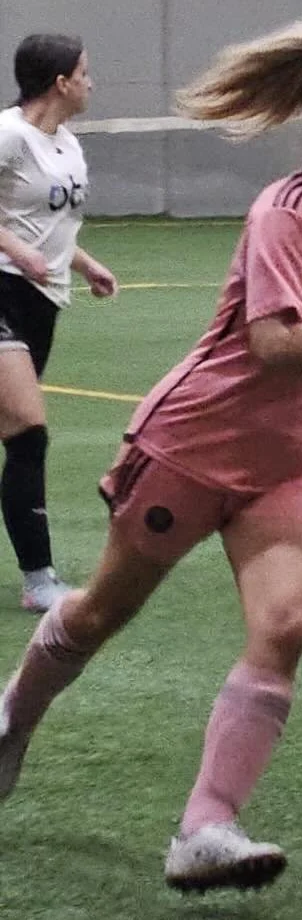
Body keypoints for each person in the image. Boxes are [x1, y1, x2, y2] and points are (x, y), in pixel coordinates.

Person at [0, 22, 302, 891]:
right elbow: (270, 343)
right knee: (101, 612)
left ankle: (204, 828)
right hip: (196, 446)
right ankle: (11, 721)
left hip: (295, 463)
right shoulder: (283, 213)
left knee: (283, 626)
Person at [0, 34, 117, 612]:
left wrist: (86, 262)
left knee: (16, 434)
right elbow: (18, 233)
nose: (92, 82)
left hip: (42, 302)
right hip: (1, 288)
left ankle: (36, 576)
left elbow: (54, 226)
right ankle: (39, 580)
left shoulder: (67, 144)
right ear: (60, 82)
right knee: (28, 428)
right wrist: (15, 252)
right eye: (85, 72)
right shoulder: (9, 134)